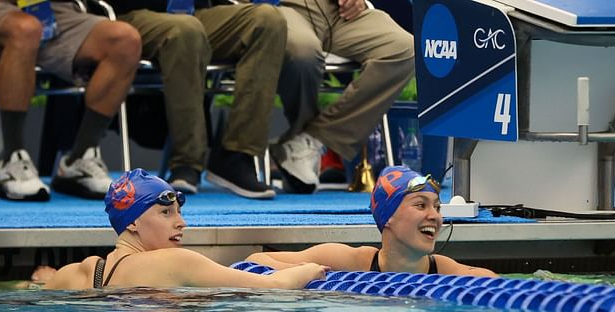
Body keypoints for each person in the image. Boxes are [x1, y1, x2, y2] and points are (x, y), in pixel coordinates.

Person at [106, 0, 286, 199]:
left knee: (268, 19)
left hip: (197, 12)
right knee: (185, 30)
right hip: (132, 14)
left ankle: (237, 155)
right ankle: (186, 162)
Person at [39, 168, 328, 290]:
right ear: (132, 222)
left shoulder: (77, 274)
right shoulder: (176, 262)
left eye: (179, 212)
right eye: (166, 212)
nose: (181, 222)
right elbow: (274, 287)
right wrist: (310, 269)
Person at [0, 0, 142, 201]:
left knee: (124, 40)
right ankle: (12, 159)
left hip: (52, 9)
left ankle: (79, 159)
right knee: (25, 27)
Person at [262, 0, 416, 193]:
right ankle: (300, 143)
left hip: (340, 11)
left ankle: (311, 140)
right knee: (303, 54)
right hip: (287, 7)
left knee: (404, 49)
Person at [247, 166, 499, 277]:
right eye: (421, 205)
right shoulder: (349, 261)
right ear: (387, 217)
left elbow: (490, 281)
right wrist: (304, 272)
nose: (435, 216)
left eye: (437, 207)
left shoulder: (444, 271)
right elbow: (256, 260)